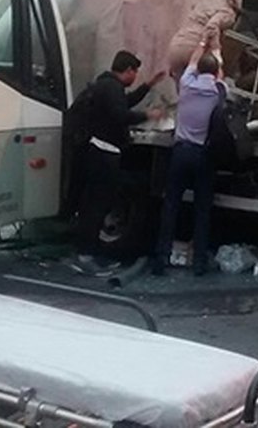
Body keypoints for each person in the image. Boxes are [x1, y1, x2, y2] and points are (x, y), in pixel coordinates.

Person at [152, 35, 224, 276]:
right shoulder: (217, 91)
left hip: (181, 153)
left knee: (171, 205)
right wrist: (217, 48)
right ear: (214, 74)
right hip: (204, 156)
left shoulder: (187, 84)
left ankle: (160, 259)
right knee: (202, 210)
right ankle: (199, 264)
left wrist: (204, 41)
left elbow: (193, 61)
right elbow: (219, 74)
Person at [78, 50, 164, 245]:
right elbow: (121, 115)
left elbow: (126, 102)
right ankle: (89, 247)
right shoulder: (112, 88)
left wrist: (148, 85)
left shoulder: (107, 85)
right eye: (135, 73)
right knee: (99, 202)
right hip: (105, 153)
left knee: (95, 201)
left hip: (99, 151)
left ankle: (86, 243)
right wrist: (147, 115)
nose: (135, 78)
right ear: (128, 70)